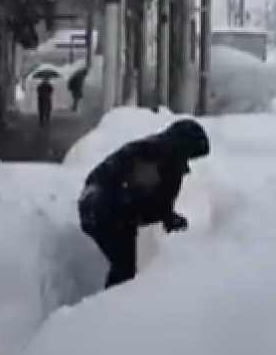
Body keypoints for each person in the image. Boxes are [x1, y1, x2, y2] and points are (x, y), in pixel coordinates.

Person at [77, 119, 210, 289]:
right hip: (103, 207)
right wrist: (167, 218)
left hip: (107, 204)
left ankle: (117, 298)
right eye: (190, 157)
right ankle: (112, 307)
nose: (189, 165)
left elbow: (156, 202)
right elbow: (146, 196)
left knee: (125, 261)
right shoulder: (152, 157)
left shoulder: (160, 156)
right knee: (124, 265)